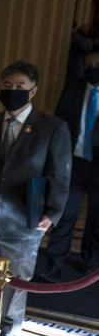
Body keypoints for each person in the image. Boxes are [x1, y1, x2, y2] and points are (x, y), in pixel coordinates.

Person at [0, 61, 71, 336]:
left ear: (33, 91)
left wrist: (53, 212)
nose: (13, 91)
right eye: (7, 86)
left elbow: (60, 173)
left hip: (26, 217)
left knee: (17, 280)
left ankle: (9, 328)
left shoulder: (52, 128)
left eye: (20, 87)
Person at [42, 51, 99, 280]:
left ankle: (90, 262)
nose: (94, 67)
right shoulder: (72, 91)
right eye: (90, 65)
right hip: (73, 163)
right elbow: (60, 124)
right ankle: (54, 263)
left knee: (96, 217)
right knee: (65, 213)